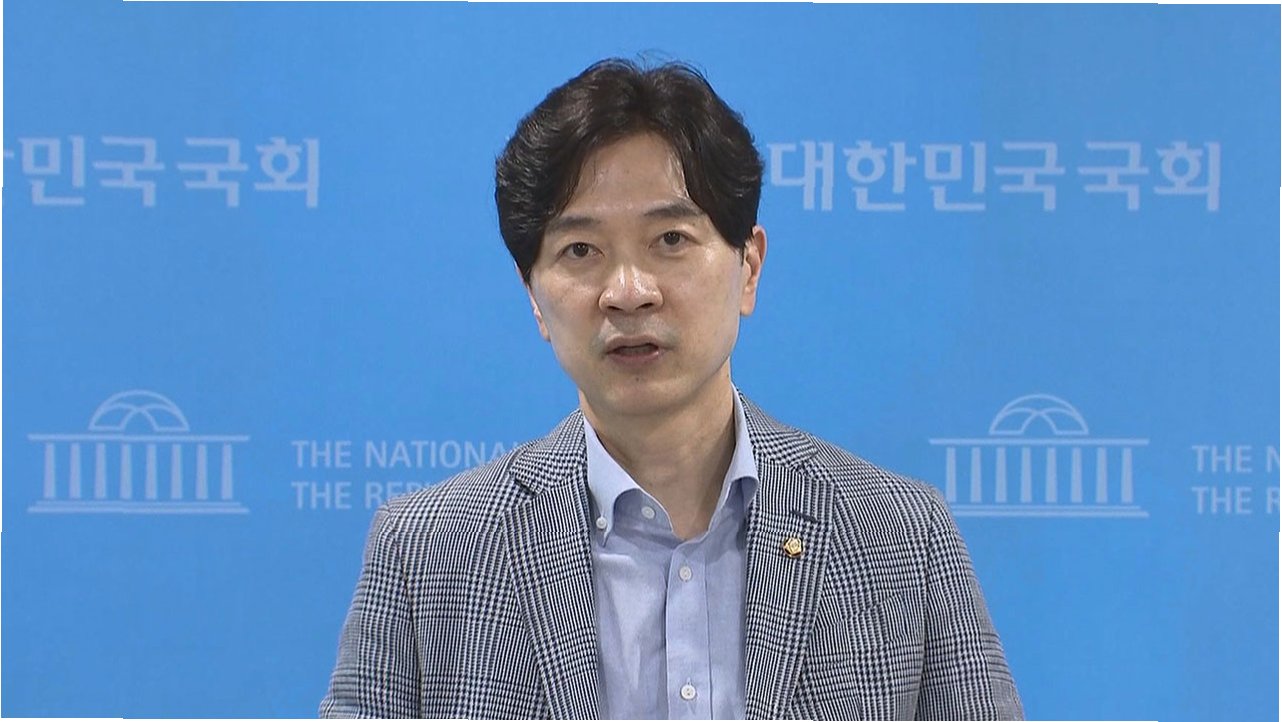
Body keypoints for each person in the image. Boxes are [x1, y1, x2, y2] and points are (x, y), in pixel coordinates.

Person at [320, 58, 1023, 721]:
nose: (628, 291)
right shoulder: (428, 553)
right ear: (533, 295)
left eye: (671, 240)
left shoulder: (900, 538)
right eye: (581, 251)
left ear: (748, 267)